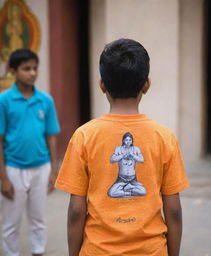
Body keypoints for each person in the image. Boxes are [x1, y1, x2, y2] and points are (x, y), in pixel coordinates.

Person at [55, 38, 189, 256]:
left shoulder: (84, 136)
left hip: (98, 250)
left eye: (129, 141)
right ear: (146, 85)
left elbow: (76, 211)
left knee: (138, 188)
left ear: (102, 85)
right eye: (126, 141)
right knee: (115, 190)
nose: (127, 143)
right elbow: (173, 210)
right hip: (151, 250)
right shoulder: (164, 137)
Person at [0, 49, 60, 256]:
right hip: (13, 168)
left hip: (40, 167)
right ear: (13, 71)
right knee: (11, 222)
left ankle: (38, 251)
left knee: (38, 219)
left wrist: (53, 170)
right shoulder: (4, 100)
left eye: (35, 68)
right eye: (26, 69)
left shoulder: (45, 100)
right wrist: (4, 178)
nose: (32, 73)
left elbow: (51, 136)